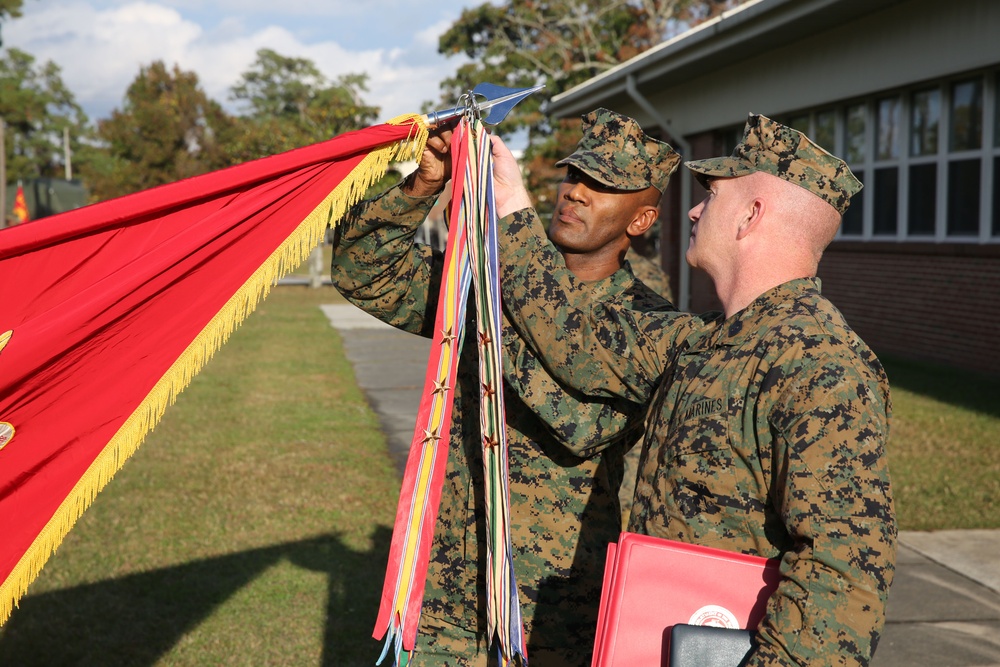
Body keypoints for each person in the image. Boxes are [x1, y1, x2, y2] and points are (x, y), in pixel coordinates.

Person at [488, 113, 896, 666]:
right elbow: (569, 336)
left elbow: (843, 572)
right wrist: (510, 204)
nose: (696, 209)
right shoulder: (698, 339)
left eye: (714, 195)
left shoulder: (820, 365)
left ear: (751, 216)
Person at [330, 108, 679, 666]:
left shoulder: (648, 324)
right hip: (447, 585)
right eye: (574, 176)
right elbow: (363, 270)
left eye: (604, 186)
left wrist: (496, 291)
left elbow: (577, 420)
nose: (576, 194)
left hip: (546, 611)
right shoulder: (491, 281)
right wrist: (426, 184)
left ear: (641, 221)